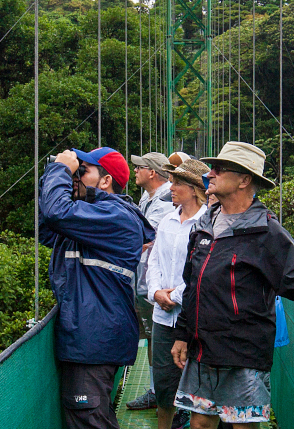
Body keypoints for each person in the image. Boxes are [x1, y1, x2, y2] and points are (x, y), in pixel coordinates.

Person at [171, 141, 294, 429]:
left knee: (243, 426)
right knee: (200, 423)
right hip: (203, 348)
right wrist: (182, 334)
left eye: (219, 169)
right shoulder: (204, 225)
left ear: (244, 180)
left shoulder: (265, 231)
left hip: (243, 352)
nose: (210, 174)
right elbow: (192, 286)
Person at [39, 147, 155, 429]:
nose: (75, 178)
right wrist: (53, 175)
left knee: (90, 421)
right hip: (89, 336)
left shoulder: (114, 216)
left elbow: (56, 212)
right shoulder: (90, 216)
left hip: (93, 339)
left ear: (105, 181)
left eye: (81, 172)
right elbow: (46, 226)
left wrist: (60, 172)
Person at [146, 159, 210, 429]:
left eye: (177, 183)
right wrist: (156, 292)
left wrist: (176, 297)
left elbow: (203, 269)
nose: (170, 187)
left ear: (194, 189)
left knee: (200, 387)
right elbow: (154, 262)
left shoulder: (208, 223)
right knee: (163, 386)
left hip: (194, 318)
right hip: (163, 317)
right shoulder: (167, 222)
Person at [126, 152, 174, 411]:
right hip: (143, 283)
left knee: (162, 340)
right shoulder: (148, 196)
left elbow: (144, 238)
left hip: (156, 286)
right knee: (154, 339)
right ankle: (159, 391)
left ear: (152, 172)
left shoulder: (167, 201)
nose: (134, 171)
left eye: (139, 167)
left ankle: (167, 397)